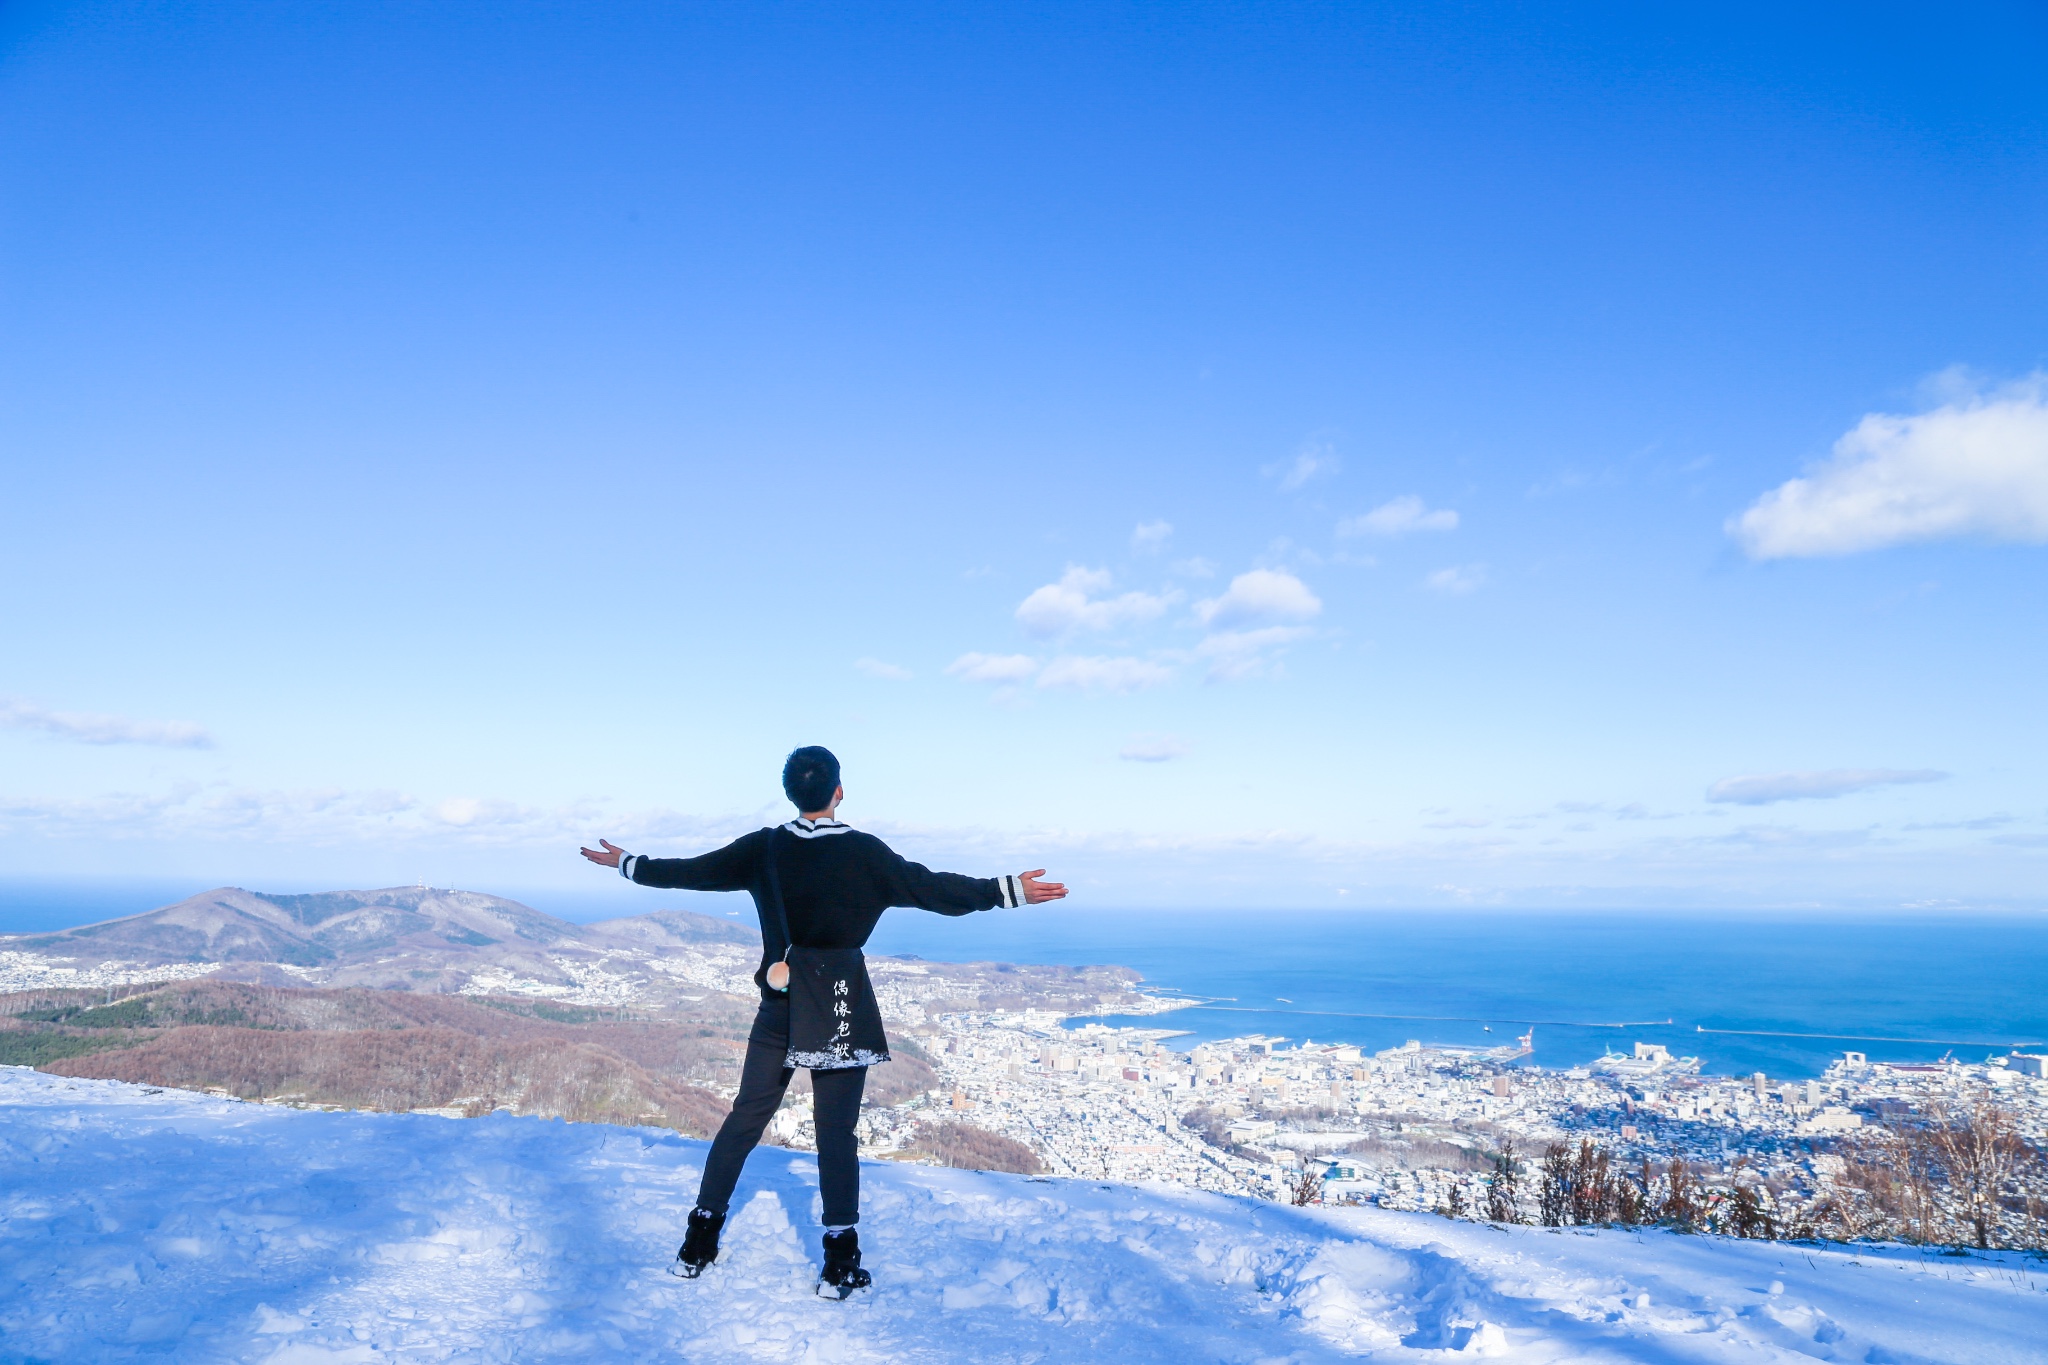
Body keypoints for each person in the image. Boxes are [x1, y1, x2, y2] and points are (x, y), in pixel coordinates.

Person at [579, 745, 1066, 1297]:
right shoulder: (866, 855)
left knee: (745, 1119)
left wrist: (627, 863)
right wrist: (1008, 891)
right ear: (839, 791)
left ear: (790, 794)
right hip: (839, 1002)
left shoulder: (761, 849)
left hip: (781, 1002)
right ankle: (839, 1264)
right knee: (836, 1133)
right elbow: (935, 889)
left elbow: (689, 873)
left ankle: (698, 1241)